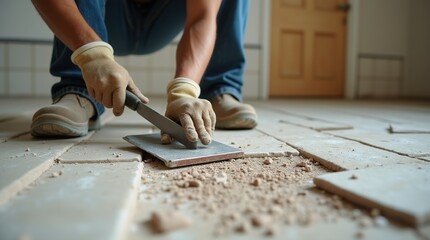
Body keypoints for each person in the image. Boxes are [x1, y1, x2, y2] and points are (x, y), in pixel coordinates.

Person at [30, 0, 258, 145]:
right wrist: (92, 56)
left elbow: (202, 16)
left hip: (164, 15)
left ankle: (219, 88)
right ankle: (80, 88)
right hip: (105, 12)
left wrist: (184, 91)